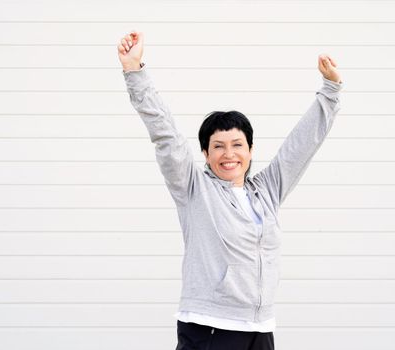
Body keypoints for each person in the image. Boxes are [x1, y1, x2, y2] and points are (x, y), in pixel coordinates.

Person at [117, 30, 342, 350]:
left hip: (260, 328)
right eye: (218, 146)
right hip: (210, 327)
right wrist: (135, 71)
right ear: (206, 155)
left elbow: (301, 146)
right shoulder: (193, 188)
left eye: (237, 145)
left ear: (250, 150)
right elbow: (164, 134)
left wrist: (330, 90)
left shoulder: (267, 190)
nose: (229, 154)